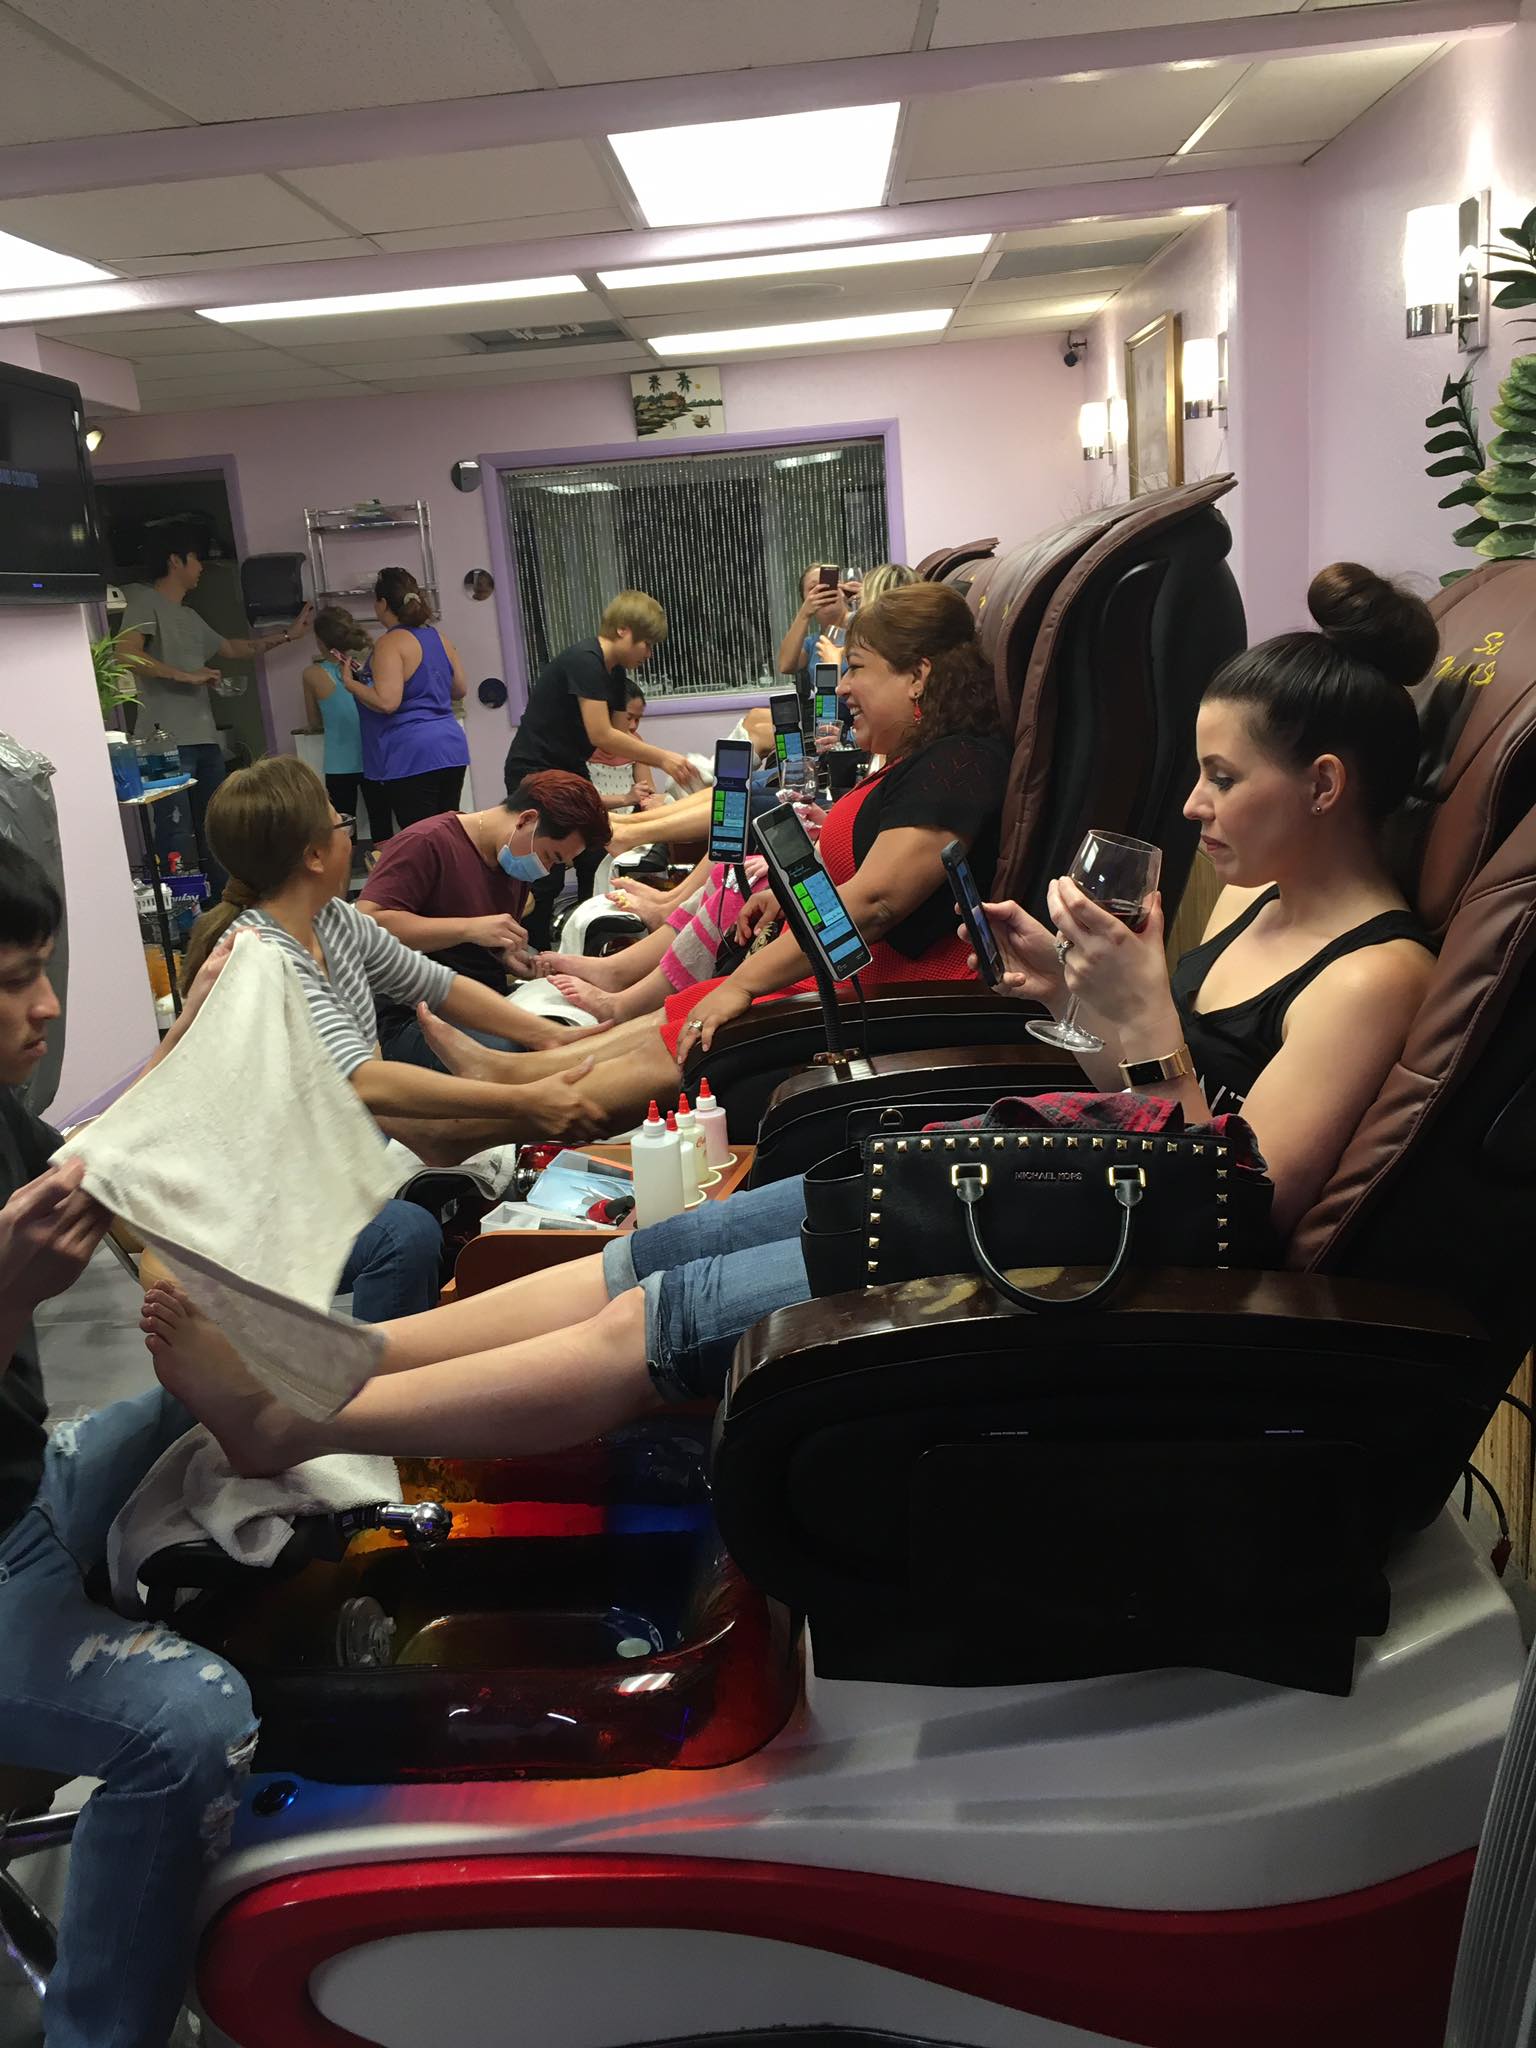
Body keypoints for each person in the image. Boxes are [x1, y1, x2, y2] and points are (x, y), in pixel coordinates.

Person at [141, 563, 1442, 1480]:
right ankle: (347, 1350)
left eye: (1221, 777)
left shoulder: (1374, 974)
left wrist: (1142, 1018)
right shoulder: (1251, 909)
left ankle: (288, 1427)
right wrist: (1075, 1005)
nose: (1195, 807)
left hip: (1063, 1244)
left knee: (662, 1318)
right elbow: (1148, 1101)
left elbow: (1232, 1204)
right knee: (668, 1246)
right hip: (1023, 1165)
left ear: (1325, 784)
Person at [379, 582, 1011, 1138]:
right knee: (690, 1002)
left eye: (858, 668)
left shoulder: (957, 764)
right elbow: (869, 882)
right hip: (860, 975)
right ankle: (514, 1075)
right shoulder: (921, 760)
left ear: (918, 676)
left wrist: (744, 983)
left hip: (899, 994)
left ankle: (487, 1116)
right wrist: (789, 896)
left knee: (702, 1019)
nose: (841, 685)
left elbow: (876, 903)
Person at [0, 836, 260, 2048]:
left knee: (235, 1376)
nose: (47, 1008)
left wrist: (186, 1039)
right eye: (15, 981)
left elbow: (86, 1170)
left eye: (43, 972)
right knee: (192, 1722)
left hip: (23, 1495)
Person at [181, 758, 605, 1161]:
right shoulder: (267, 950)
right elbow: (359, 1078)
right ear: (314, 856)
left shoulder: (334, 919)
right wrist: (520, 1099)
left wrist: (547, 1036)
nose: (350, 838)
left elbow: (436, 984)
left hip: (338, 1135)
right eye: (341, 823)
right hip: (290, 1161)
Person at [358, 770, 610, 1068]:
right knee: (530, 1058)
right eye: (550, 856)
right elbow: (366, 924)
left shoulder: (511, 861)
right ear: (526, 820)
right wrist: (468, 928)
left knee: (588, 1023)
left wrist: (508, 958)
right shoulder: (426, 843)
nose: (545, 870)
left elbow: (473, 947)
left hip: (486, 1002)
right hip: (416, 1016)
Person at [116, 523, 315, 891]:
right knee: (175, 832)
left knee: (218, 829)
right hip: (164, 743)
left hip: (204, 740)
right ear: (175, 561)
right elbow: (126, 653)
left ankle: (223, 904)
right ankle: (183, 911)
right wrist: (184, 676)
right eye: (195, 559)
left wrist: (290, 635)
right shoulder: (144, 602)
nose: (201, 568)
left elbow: (233, 648)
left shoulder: (189, 616)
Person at [504, 591, 700, 949]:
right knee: (546, 870)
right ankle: (531, 950)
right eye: (646, 644)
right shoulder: (586, 661)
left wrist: (650, 769)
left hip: (568, 767)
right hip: (536, 768)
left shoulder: (614, 671)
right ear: (623, 630)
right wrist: (663, 758)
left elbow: (619, 736)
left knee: (593, 853)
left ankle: (586, 940)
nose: (649, 654)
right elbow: (602, 734)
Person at [338, 568, 469, 830]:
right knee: (448, 833)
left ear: (383, 603)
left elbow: (387, 702)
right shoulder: (440, 638)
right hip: (451, 748)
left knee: (420, 838)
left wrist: (352, 685)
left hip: (412, 753)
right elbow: (459, 689)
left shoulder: (390, 643)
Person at [300, 605, 391, 844]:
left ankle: (344, 867)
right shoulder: (368, 669)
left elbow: (313, 721)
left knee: (342, 831)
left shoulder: (311, 675)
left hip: (338, 764)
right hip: (374, 759)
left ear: (320, 642)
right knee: (382, 826)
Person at [776, 563, 848, 678]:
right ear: (805, 600)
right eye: (814, 588)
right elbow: (785, 666)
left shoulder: (863, 624)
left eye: (830, 584)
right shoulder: (813, 643)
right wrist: (803, 614)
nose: (823, 591)